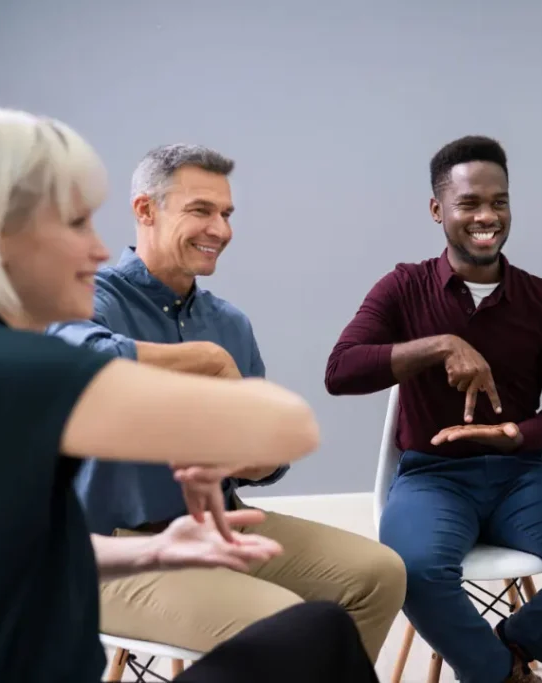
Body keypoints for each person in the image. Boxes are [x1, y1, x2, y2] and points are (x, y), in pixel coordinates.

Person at [0, 106, 379, 682]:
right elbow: (293, 425)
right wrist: (211, 366)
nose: (99, 248)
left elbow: (28, 549)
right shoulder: (3, 365)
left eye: (226, 213)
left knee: (333, 617)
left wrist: (159, 549)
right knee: (304, 632)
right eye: (74, 222)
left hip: (174, 539)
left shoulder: (0, 356)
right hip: (120, 537)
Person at [47, 143, 406, 662]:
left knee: (378, 575)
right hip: (110, 551)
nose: (221, 229)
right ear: (145, 210)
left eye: (226, 213)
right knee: (288, 625)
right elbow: (82, 361)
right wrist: (208, 360)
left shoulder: (230, 322)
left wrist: (258, 458)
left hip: (219, 527)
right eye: (201, 210)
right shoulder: (89, 298)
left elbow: (269, 457)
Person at [325, 135, 542, 683]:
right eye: (469, 204)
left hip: (520, 475)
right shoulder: (403, 288)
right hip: (432, 478)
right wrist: (440, 346)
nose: (487, 216)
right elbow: (340, 372)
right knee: (411, 569)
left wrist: (513, 434)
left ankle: (503, 656)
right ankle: (501, 674)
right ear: (438, 210)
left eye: (499, 201)